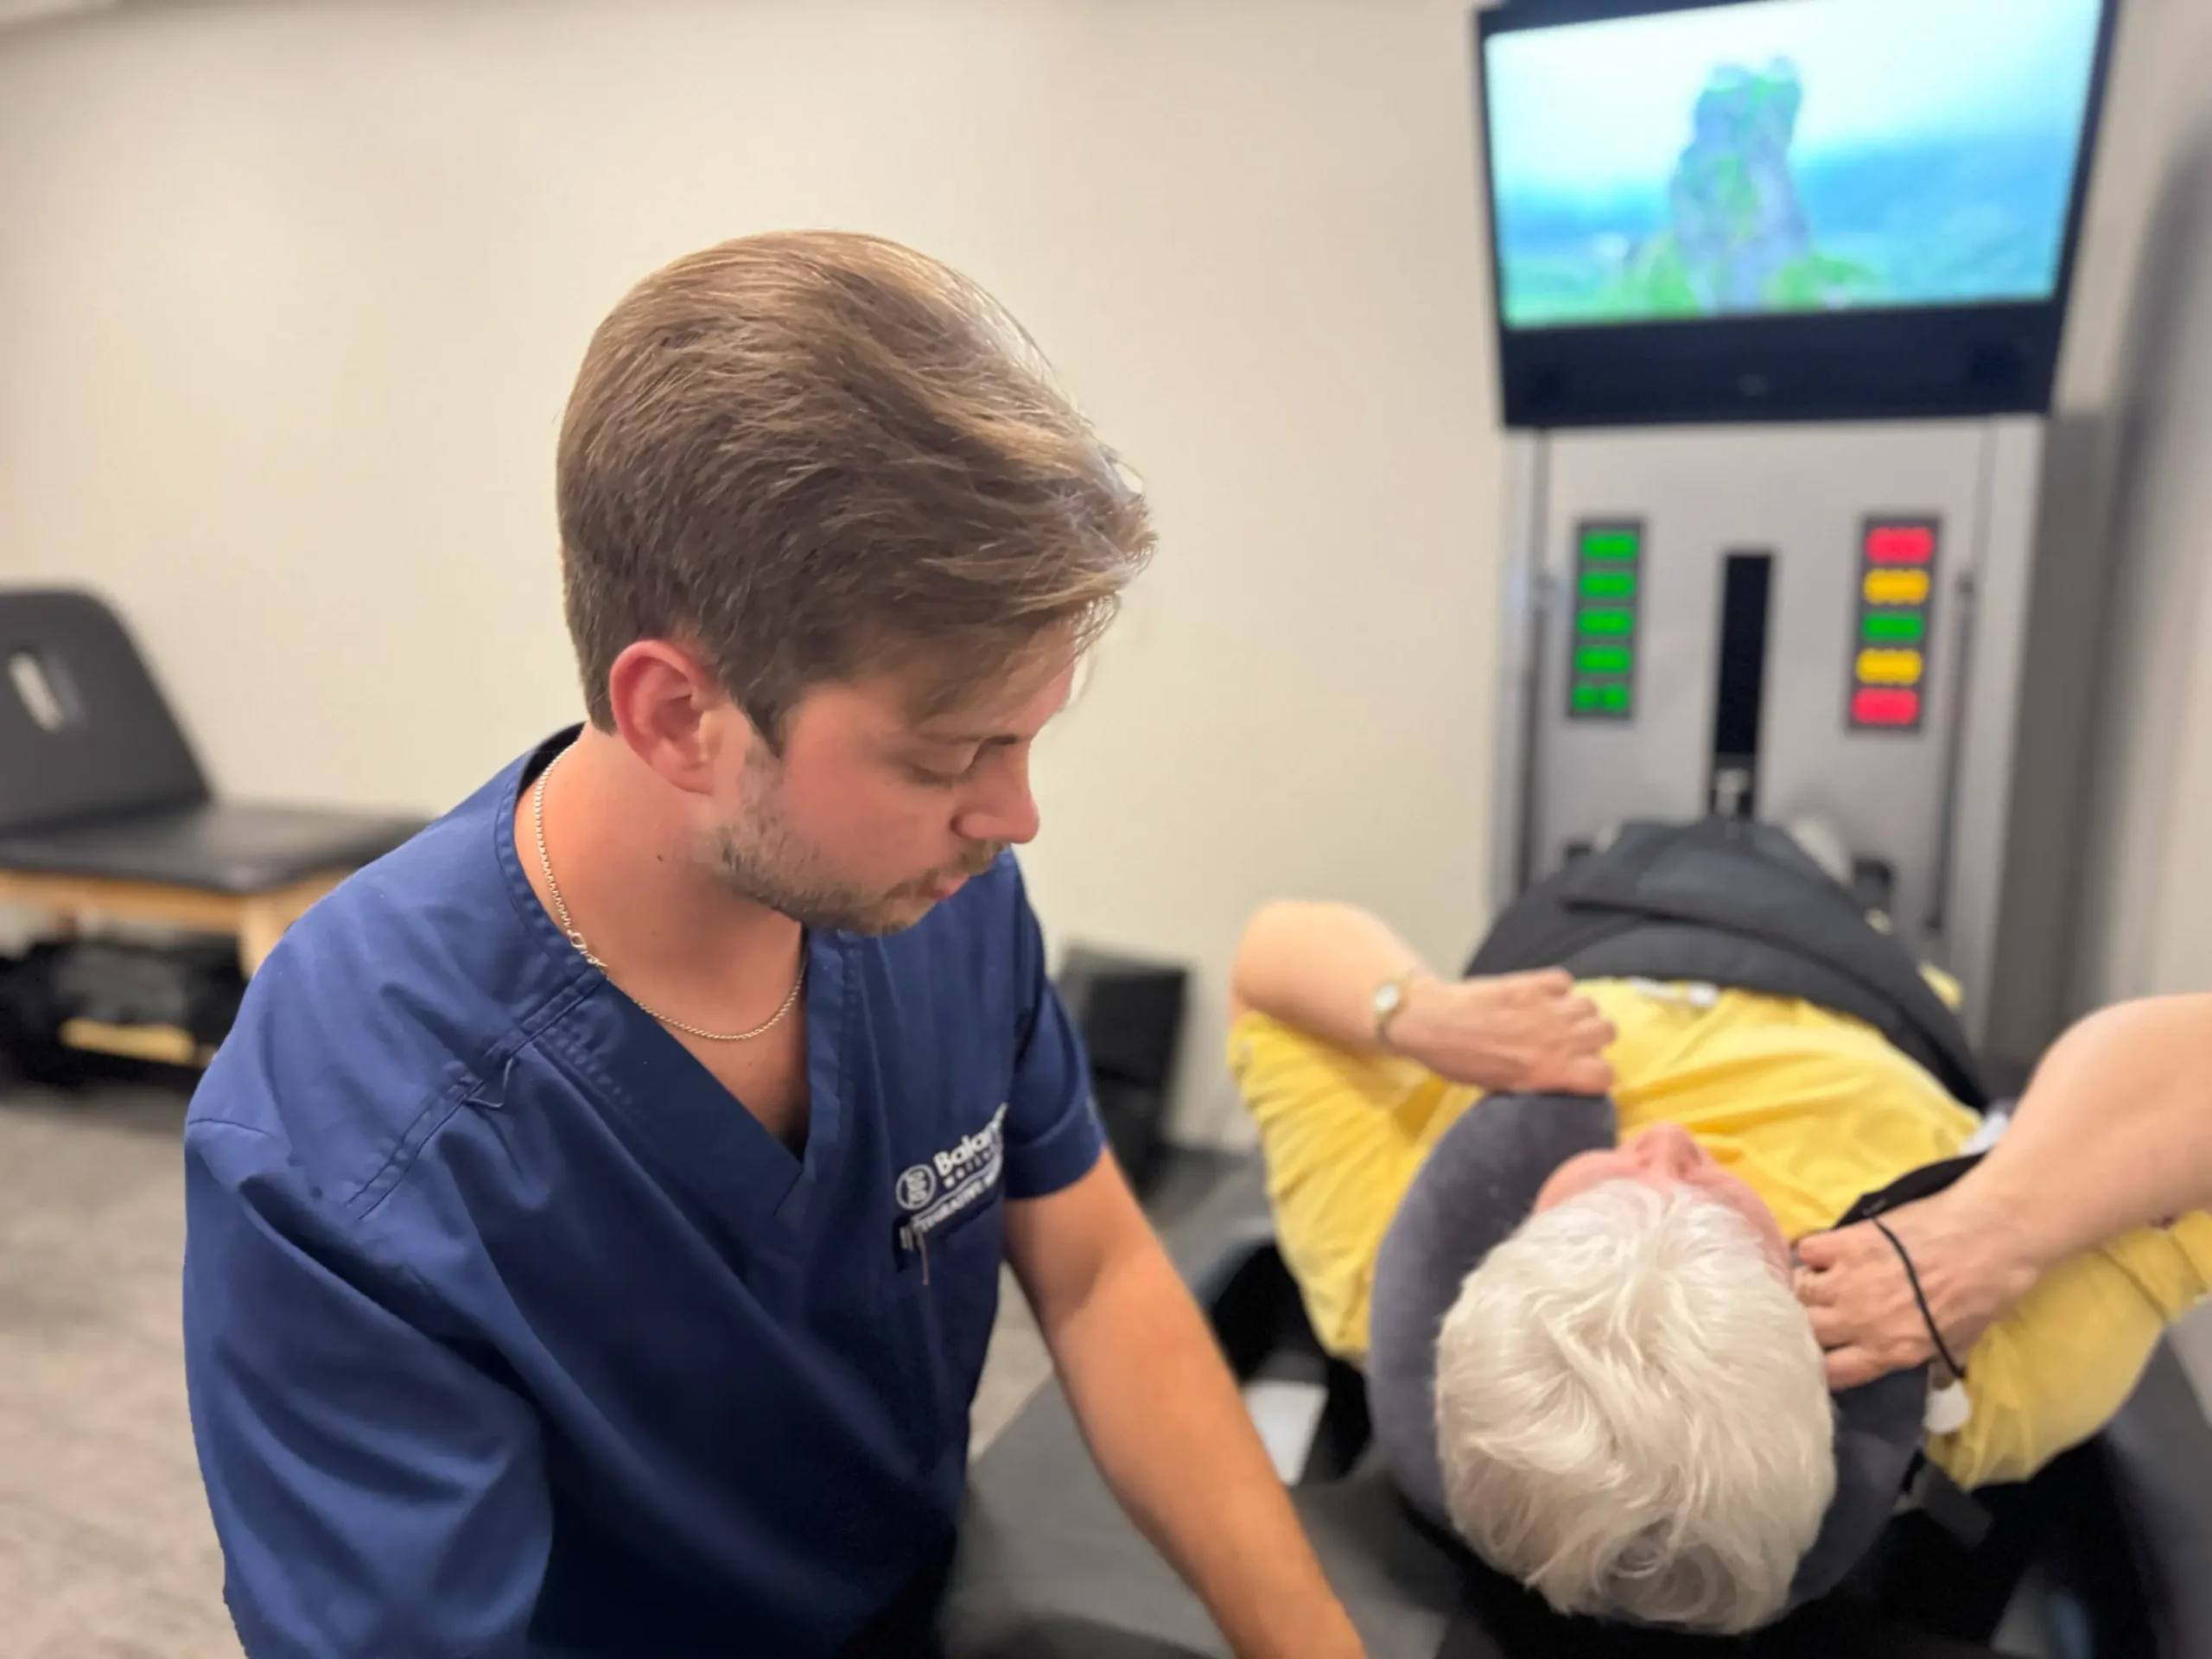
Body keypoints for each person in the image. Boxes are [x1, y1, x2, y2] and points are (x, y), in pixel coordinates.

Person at [181, 232, 1365, 1659]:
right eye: (949, 756)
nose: (1016, 814)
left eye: (1032, 736)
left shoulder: (940, 896)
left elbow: (1105, 1272)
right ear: (681, 716)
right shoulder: (348, 1148)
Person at [1224, 873, 2212, 1634]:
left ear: (1496, 1247)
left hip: (1598, 912)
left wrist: (1417, 1010)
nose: (1665, 1148)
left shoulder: (1380, 1258)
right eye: (1715, 1211)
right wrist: (1999, 1225)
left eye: (1603, 1198)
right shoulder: (1995, 1369)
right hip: (1845, 956)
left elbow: (1269, 958)